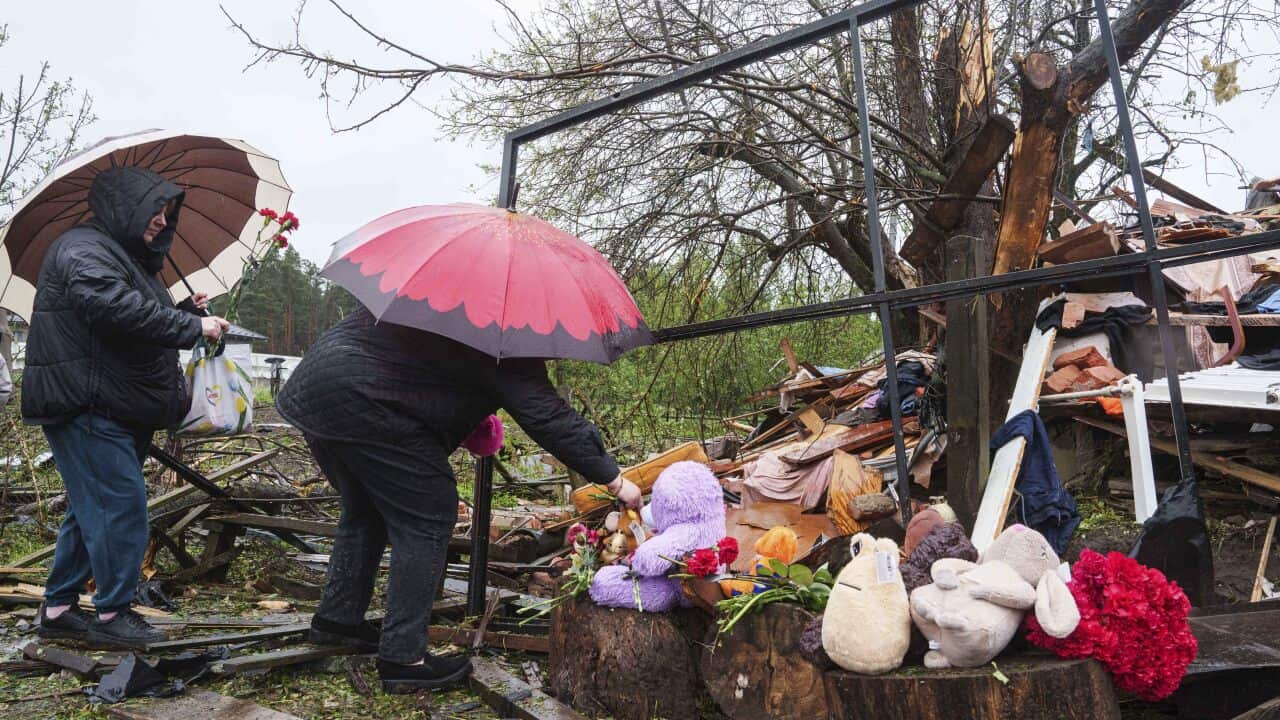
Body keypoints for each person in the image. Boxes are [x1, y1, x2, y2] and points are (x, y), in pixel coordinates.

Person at [277, 309, 642, 693]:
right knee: (429, 512)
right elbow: (548, 417)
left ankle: (338, 621)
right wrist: (615, 480)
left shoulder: (449, 297)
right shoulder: (507, 332)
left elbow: (423, 366)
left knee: (365, 510)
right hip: (365, 396)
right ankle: (404, 658)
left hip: (317, 387)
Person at [22, 166, 230, 648]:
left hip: (114, 402)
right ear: (125, 207)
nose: (161, 221)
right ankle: (114, 614)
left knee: (91, 509)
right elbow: (111, 307)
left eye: (166, 213)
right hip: (88, 404)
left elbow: (126, 326)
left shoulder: (123, 257)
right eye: (153, 210)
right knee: (121, 508)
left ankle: (58, 608)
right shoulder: (83, 249)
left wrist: (183, 314)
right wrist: (191, 329)